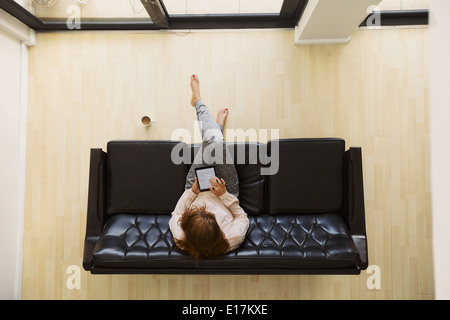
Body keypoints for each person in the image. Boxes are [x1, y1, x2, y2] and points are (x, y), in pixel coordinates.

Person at [169, 75, 250, 265]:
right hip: (225, 189)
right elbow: (242, 217)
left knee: (213, 143)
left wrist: (193, 192)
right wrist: (223, 196)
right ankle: (214, 124)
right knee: (215, 143)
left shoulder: (180, 237)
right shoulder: (232, 237)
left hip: (195, 188)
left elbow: (176, 214)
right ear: (220, 232)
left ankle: (198, 102)